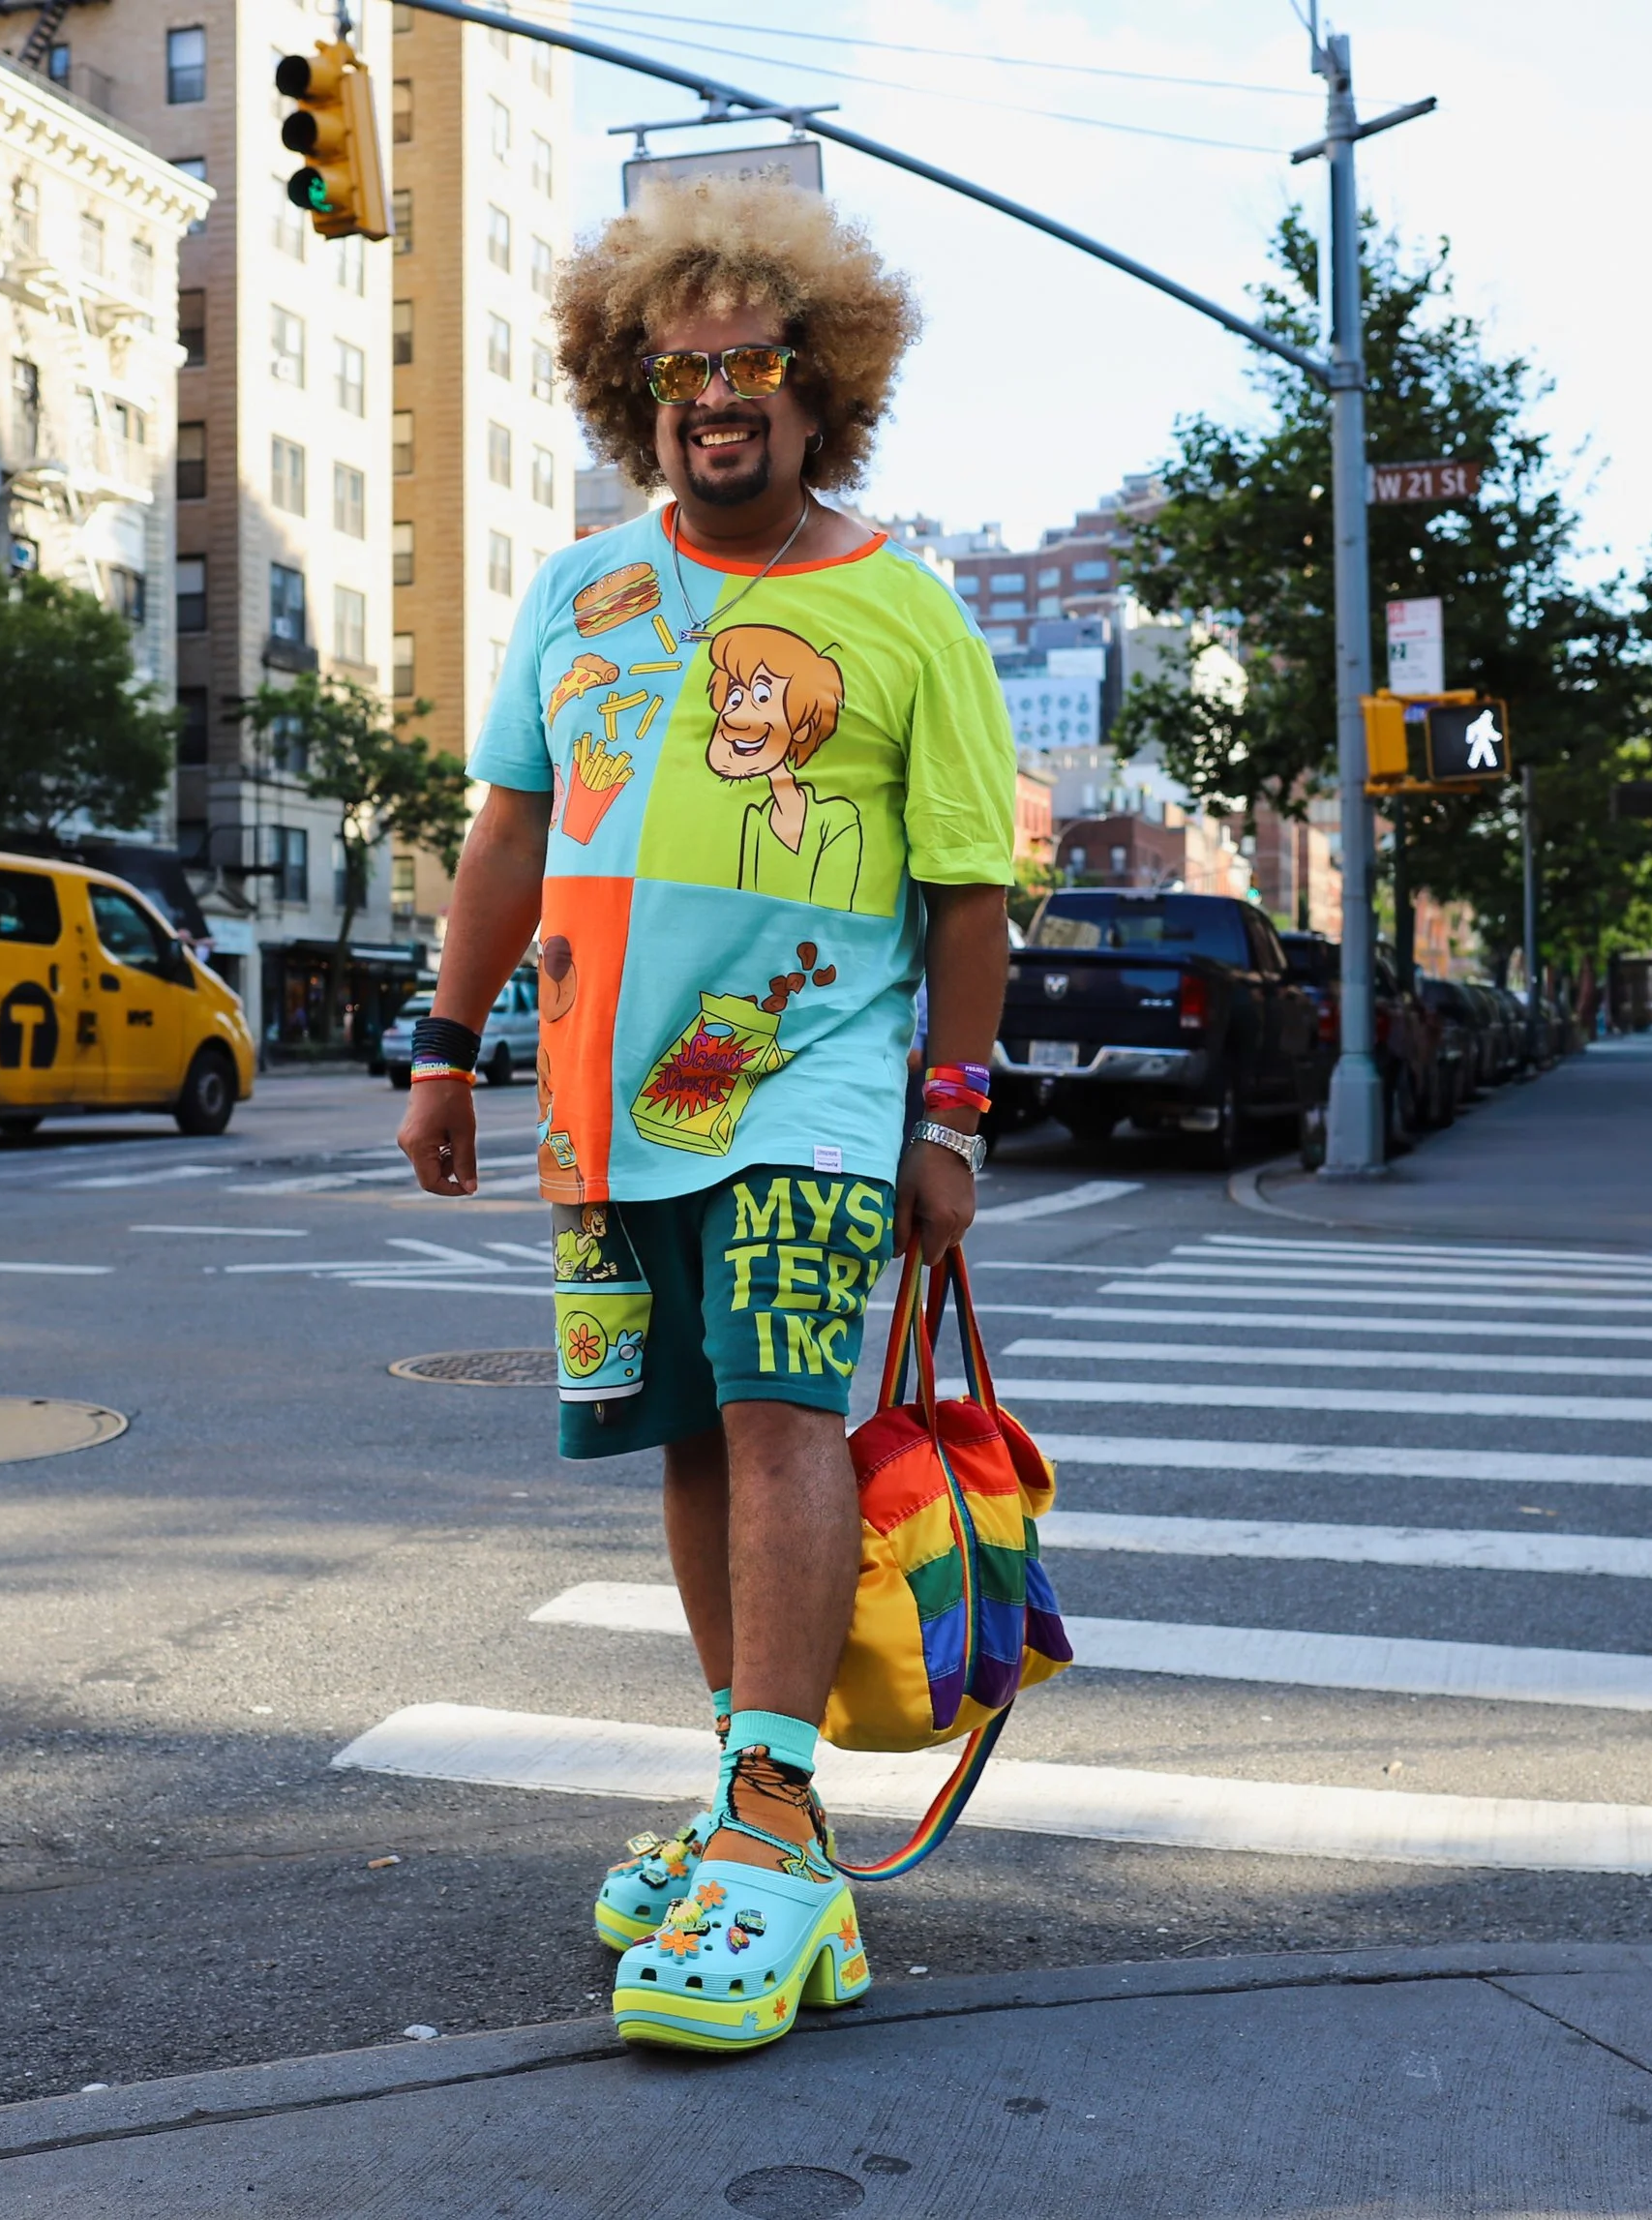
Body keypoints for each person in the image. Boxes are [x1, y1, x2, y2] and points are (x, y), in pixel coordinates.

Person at [397, 176, 1015, 2054]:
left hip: (805, 1086)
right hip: (600, 1095)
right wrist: (442, 1041)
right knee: (677, 1433)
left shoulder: (905, 612)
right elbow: (505, 829)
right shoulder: (575, 588)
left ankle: (765, 1818)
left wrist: (952, 1121)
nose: (712, 394)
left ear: (819, 388)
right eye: (678, 369)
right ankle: (758, 1795)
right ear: (633, 392)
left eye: (748, 361)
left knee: (771, 1412)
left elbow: (969, 891)